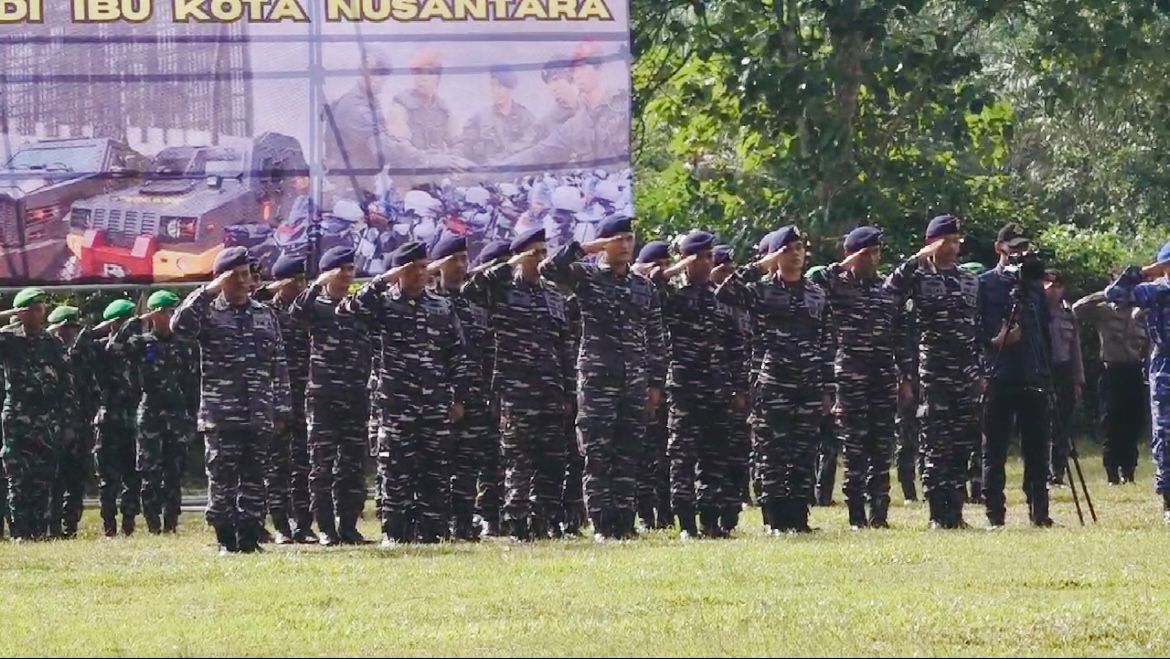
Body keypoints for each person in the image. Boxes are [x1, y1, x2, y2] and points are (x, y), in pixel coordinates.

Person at [540, 216, 667, 540]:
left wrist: (654, 383)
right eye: (618, 239)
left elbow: (655, 336)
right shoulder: (587, 277)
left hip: (634, 382)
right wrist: (587, 248)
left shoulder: (644, 287)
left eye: (629, 238)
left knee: (627, 454)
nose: (625, 245)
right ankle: (601, 524)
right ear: (604, 244)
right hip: (598, 381)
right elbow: (550, 269)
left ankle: (624, 523)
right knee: (597, 455)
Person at [343, 241, 470, 545]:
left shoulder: (441, 305)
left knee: (434, 470)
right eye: (411, 268)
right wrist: (384, 279)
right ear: (399, 272)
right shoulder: (383, 303)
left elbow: (457, 354)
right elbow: (349, 309)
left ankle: (432, 532)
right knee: (396, 470)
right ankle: (396, 533)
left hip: (434, 403)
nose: (419, 274)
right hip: (396, 404)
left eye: (423, 267)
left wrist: (458, 399)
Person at [171, 247, 293, 554]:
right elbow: (179, 327)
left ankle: (250, 538)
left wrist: (281, 408)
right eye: (234, 276)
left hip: (259, 413)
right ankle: (225, 539)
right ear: (221, 280)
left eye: (246, 275)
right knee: (222, 481)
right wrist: (208, 291)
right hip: (221, 414)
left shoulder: (264, 314)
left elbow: (278, 363)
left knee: (254, 481)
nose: (243, 282)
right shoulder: (208, 312)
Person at [716, 227, 833, 533]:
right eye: (788, 249)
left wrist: (828, 387)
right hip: (773, 384)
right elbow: (725, 292)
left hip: (808, 384)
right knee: (773, 453)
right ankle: (774, 520)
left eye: (799, 248)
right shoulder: (761, 291)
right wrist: (761, 265)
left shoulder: (816, 293)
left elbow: (827, 342)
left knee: (803, 452)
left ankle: (799, 518)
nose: (795, 254)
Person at [463, 228, 575, 541]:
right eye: (534, 253)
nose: (540, 258)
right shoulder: (501, 289)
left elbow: (564, 345)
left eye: (543, 252)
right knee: (519, 460)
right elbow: (471, 290)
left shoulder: (553, 294)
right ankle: (518, 523)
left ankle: (545, 522)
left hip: (551, 389)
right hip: (515, 390)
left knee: (553, 460)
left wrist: (568, 390)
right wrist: (509, 264)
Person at [884, 215, 981, 528]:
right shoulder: (918, 276)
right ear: (931, 243)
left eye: (956, 241)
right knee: (935, 444)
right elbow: (888, 296)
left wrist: (979, 371)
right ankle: (939, 514)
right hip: (934, 372)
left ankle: (957, 512)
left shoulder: (969, 279)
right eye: (946, 241)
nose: (952, 247)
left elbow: (975, 329)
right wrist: (915, 261)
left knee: (961, 443)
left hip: (965, 372)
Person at [813, 226, 904, 529]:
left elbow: (899, 333)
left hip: (882, 374)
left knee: (882, 447)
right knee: (854, 446)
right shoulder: (835, 284)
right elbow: (814, 280)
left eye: (877, 252)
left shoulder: (885, 287)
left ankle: (880, 513)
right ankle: (856, 515)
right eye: (868, 253)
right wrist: (846, 263)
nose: (874, 259)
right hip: (850, 375)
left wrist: (904, 376)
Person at [656, 231, 747, 538]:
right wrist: (679, 267)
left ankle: (710, 521)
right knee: (682, 457)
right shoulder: (674, 297)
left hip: (717, 389)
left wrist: (738, 387)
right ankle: (685, 524)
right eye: (702, 258)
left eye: (710, 257)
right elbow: (652, 285)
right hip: (684, 389)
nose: (708, 263)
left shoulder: (720, 298)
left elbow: (735, 346)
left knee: (714, 458)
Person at [290, 247, 371, 546]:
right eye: (342, 270)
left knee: (352, 466)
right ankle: (325, 527)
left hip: (355, 394)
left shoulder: (356, 305)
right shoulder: (316, 305)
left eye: (351, 269)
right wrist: (316, 284)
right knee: (321, 466)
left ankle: (348, 525)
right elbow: (295, 313)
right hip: (323, 396)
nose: (348, 275)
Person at [978, 223, 1054, 528]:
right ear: (999, 249)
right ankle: (995, 514)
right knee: (994, 450)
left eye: (1024, 248)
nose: (1019, 254)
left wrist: (1047, 373)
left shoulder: (1033, 287)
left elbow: (1044, 332)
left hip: (1031, 375)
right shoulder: (985, 284)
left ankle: (1040, 511)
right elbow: (976, 329)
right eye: (1014, 249)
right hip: (999, 374)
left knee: (1037, 450)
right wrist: (995, 341)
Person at [427, 235, 501, 541]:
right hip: (436, 398)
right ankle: (437, 523)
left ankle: (463, 523)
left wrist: (489, 394)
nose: (460, 266)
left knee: (469, 464)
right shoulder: (428, 305)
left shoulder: (474, 308)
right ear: (437, 266)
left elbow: (488, 354)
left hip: (475, 397)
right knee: (437, 465)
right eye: (453, 260)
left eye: (463, 260)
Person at [106, 291, 190, 535]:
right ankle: (154, 526)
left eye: (173, 310)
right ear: (154, 314)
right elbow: (114, 348)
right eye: (165, 311)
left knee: (174, 473)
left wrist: (192, 417)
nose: (170, 316)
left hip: (176, 413)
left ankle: (171, 525)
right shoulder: (141, 343)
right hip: (150, 412)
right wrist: (136, 320)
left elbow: (193, 380)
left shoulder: (183, 343)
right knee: (149, 473)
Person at [0, 289, 73, 541]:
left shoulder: (52, 344)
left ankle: (39, 533)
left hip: (46, 419)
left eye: (41, 308)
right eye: (33, 308)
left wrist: (67, 424)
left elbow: (66, 385)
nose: (39, 313)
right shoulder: (7, 340)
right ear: (22, 312)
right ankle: (20, 533)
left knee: (42, 478)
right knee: (18, 478)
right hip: (16, 419)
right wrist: (9, 314)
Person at [1104, 240, 1170, 521]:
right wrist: (1144, 271)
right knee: (1165, 435)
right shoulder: (1155, 292)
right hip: (1166, 364)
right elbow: (1114, 293)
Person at [254, 253, 316, 543]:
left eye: (304, 279)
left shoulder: (308, 312)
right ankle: (280, 525)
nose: (301, 286)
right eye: (295, 281)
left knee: (304, 464)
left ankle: (303, 525)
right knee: (277, 465)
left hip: (306, 396)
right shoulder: (265, 312)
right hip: (277, 397)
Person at [1073, 281, 1148, 484]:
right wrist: (1106, 293)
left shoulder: (1139, 310)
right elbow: (1077, 309)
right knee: (1111, 421)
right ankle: (1112, 470)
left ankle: (1129, 469)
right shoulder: (1104, 310)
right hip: (1112, 370)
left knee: (1133, 421)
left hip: (1134, 370)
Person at [88, 299, 142, 538]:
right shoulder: (101, 347)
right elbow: (80, 348)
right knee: (108, 479)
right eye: (124, 321)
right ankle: (109, 527)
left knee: (133, 476)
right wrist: (105, 327)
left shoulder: (135, 347)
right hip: (108, 421)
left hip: (132, 421)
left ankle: (128, 524)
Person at [631, 240, 672, 530]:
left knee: (664, 454)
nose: (664, 271)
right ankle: (645, 514)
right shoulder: (632, 292)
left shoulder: (667, 295)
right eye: (659, 265)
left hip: (664, 382)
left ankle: (666, 513)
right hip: (634, 383)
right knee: (642, 454)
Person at [46, 305, 95, 539]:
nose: (69, 334)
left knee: (76, 479)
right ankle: (51, 526)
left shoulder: (83, 356)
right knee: (52, 481)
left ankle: (70, 527)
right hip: (49, 426)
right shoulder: (42, 354)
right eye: (64, 329)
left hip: (80, 425)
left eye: (73, 329)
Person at [1043, 270, 1085, 487]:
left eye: (1059, 286)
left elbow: (1075, 349)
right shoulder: (1036, 310)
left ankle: (1057, 471)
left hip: (1064, 371)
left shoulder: (1068, 312)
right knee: (1045, 423)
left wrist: (1078, 379)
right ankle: (1045, 472)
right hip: (1044, 371)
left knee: (1063, 423)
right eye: (1050, 285)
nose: (1055, 290)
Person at [459, 65, 540, 163]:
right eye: (493, 85)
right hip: (486, 174)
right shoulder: (480, 118)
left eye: (500, 86)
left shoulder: (526, 118)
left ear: (510, 88)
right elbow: (464, 145)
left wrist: (501, 159)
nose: (496, 91)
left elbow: (532, 148)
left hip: (517, 174)